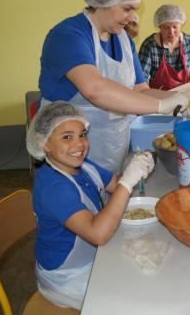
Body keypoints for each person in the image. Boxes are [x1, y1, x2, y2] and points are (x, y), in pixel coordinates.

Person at [39, 0, 190, 174]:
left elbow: (140, 90)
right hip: (68, 149)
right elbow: (94, 89)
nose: (133, 18)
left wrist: (178, 98)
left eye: (135, 10)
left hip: (112, 145)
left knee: (109, 199)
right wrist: (160, 105)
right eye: (127, 9)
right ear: (105, 1)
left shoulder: (123, 40)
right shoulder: (69, 35)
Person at [26, 101, 155, 309]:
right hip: (67, 277)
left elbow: (115, 183)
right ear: (44, 143)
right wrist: (128, 181)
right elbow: (98, 234)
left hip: (94, 257)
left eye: (82, 134)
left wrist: (139, 168)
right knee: (134, 302)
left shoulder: (83, 166)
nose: (79, 145)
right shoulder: (54, 187)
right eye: (67, 137)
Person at [138, 4, 190, 90]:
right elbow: (141, 79)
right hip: (158, 98)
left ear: (181, 25)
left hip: (183, 96)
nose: (171, 32)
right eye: (166, 27)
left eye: (175, 27)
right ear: (159, 27)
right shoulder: (150, 45)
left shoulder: (189, 43)